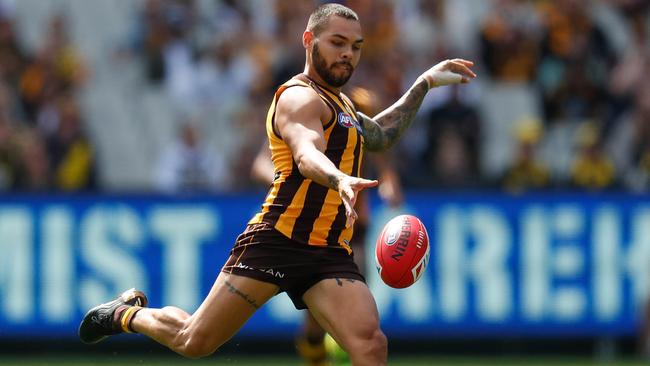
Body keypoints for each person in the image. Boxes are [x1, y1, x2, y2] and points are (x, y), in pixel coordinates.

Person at [78, 4, 475, 365]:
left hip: (326, 251)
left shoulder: (344, 106)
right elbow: (306, 152)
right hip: (277, 240)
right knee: (194, 340)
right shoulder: (297, 98)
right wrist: (337, 177)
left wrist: (423, 83)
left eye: (356, 46)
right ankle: (125, 313)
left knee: (370, 345)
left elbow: (380, 135)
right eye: (337, 43)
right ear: (308, 40)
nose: (348, 54)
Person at [250, 86, 403, 366]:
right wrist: (288, 179)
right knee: (317, 318)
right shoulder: (300, 104)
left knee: (358, 317)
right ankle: (320, 355)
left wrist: (389, 178)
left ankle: (340, 351)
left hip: (354, 224)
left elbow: (380, 149)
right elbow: (261, 163)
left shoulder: (360, 103)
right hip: (313, 225)